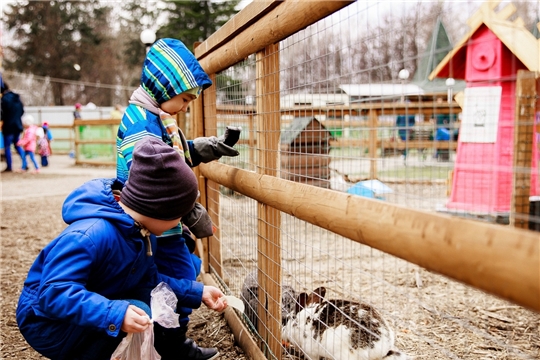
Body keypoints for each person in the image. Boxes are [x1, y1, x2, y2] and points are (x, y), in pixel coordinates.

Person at [16, 137, 228, 360]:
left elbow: (149, 281)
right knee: (138, 310)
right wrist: (115, 314)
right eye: (178, 217)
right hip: (49, 324)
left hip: (88, 305)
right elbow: (54, 292)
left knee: (148, 304)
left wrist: (198, 292)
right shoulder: (89, 235)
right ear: (159, 210)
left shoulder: (142, 233)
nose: (178, 225)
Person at [116, 38, 240, 360]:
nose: (186, 106)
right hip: (154, 225)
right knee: (172, 281)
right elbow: (153, 177)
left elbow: (169, 154)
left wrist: (203, 147)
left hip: (162, 222)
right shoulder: (142, 127)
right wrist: (189, 211)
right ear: (163, 87)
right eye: (184, 98)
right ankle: (171, 347)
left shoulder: (154, 117)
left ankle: (169, 342)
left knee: (178, 274)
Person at [1, 81, 25, 172]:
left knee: (7, 147)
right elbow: (22, 111)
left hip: (8, 126)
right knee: (18, 145)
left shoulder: (4, 99)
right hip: (17, 125)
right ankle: (24, 163)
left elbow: (2, 114)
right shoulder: (17, 98)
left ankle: (9, 166)